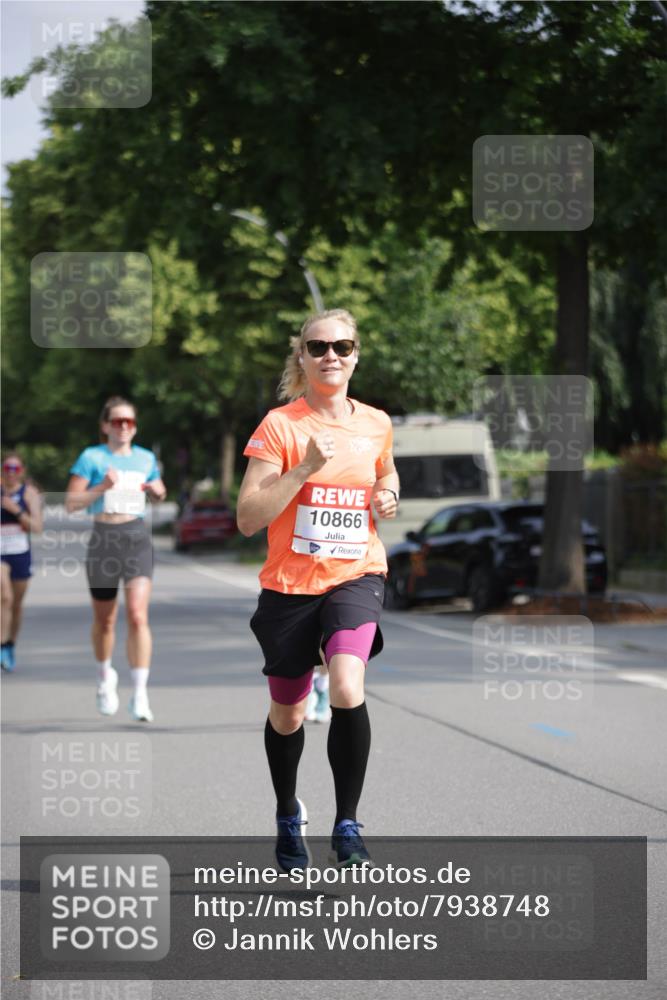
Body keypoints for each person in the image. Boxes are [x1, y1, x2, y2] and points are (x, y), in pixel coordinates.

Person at [237, 309, 399, 870]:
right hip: (289, 587)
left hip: (356, 574)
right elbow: (248, 518)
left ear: (356, 355)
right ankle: (287, 811)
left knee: (347, 684)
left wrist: (388, 495)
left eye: (343, 345)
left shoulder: (376, 422)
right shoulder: (280, 426)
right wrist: (303, 468)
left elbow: (385, 471)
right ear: (301, 357)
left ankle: (347, 823)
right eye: (319, 346)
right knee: (288, 711)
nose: (332, 354)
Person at [65, 397, 166, 721]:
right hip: (103, 540)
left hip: (136, 537)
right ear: (105, 425)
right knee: (105, 620)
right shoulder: (92, 457)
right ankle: (105, 676)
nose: (124, 427)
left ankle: (139, 694)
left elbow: (160, 489)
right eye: (118, 421)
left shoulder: (145, 457)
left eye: (130, 422)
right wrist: (101, 487)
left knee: (137, 615)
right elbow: (71, 503)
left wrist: (158, 489)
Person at [1, 453, 43, 672]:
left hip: (20, 552)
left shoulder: (28, 494)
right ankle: (1, 643)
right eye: (7, 467)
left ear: (22, 471)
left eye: (15, 468)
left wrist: (16, 510)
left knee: (16, 605)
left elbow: (37, 527)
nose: (10, 472)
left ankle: (9, 644)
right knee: (4, 595)